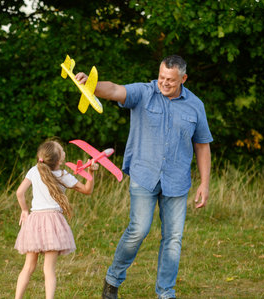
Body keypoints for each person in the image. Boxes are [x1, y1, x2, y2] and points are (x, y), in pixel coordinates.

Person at [75, 55, 213, 299]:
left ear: (184, 78)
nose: (164, 83)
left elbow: (202, 145)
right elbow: (116, 90)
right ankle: (112, 280)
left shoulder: (195, 105)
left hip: (177, 180)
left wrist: (204, 183)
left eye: (171, 79)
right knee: (138, 229)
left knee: (173, 239)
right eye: (161, 77)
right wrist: (91, 86)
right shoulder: (145, 92)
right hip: (144, 175)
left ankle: (165, 293)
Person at [14, 139, 98, 299]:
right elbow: (87, 190)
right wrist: (91, 173)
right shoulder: (63, 176)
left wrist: (25, 210)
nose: (64, 151)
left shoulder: (34, 170)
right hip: (53, 223)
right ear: (59, 160)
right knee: (48, 269)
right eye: (62, 150)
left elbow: (19, 193)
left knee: (28, 267)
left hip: (34, 222)